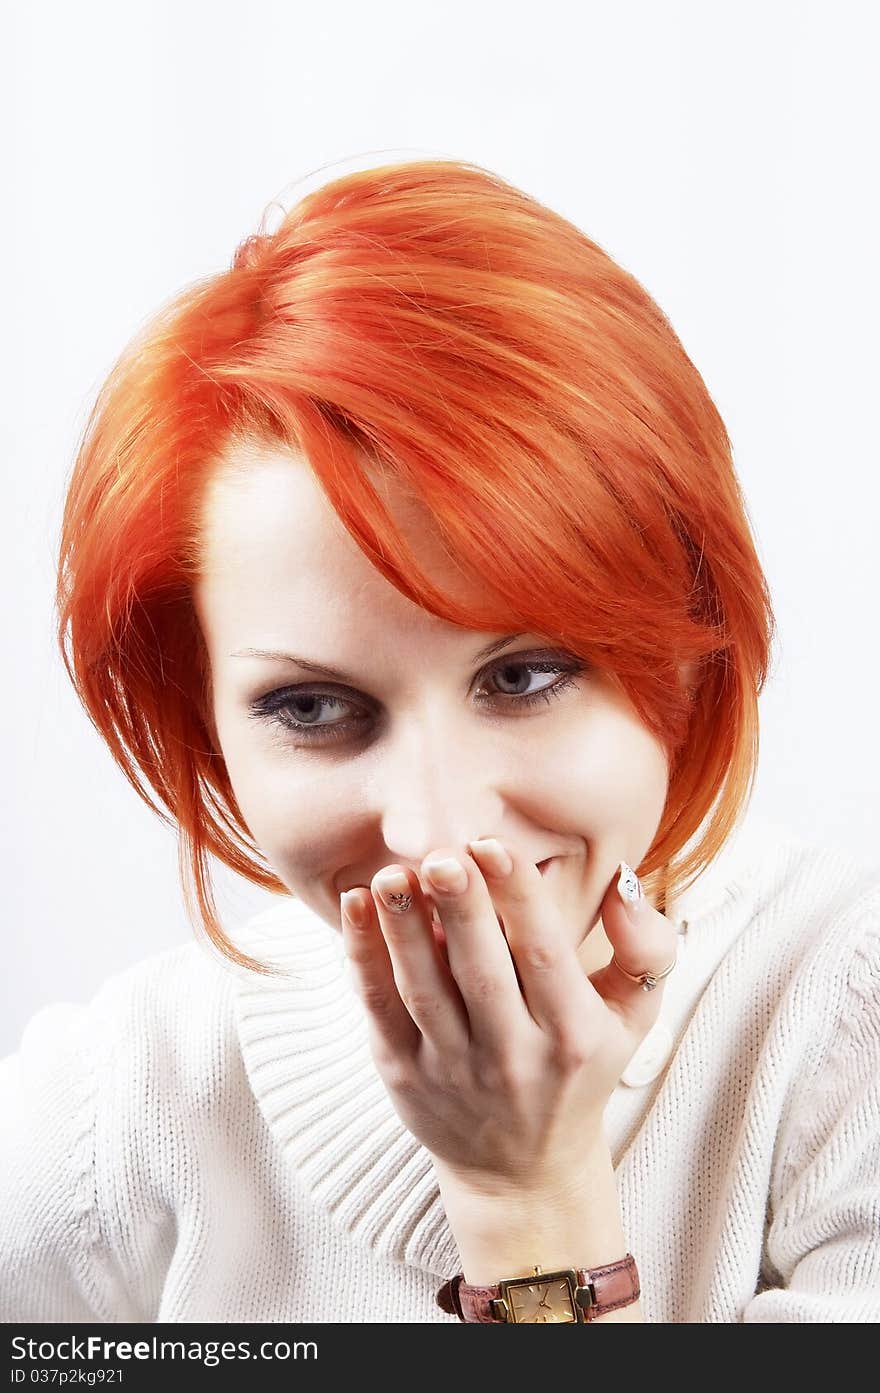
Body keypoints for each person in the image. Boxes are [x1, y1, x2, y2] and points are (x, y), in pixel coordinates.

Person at [2, 158, 878, 1324]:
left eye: (523, 676)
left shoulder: (836, 1021)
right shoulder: (128, 1104)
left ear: (681, 644)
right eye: (312, 709)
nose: (438, 830)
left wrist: (526, 1196)